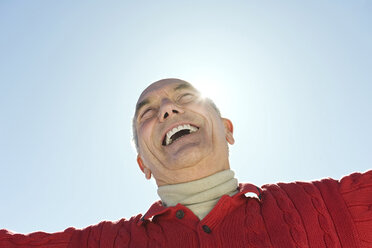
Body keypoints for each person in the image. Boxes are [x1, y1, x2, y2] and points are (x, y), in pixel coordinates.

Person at [1, 78, 371, 248]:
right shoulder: (105, 243)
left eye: (185, 96)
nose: (167, 108)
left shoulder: (328, 206)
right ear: (142, 164)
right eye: (147, 112)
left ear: (226, 128)